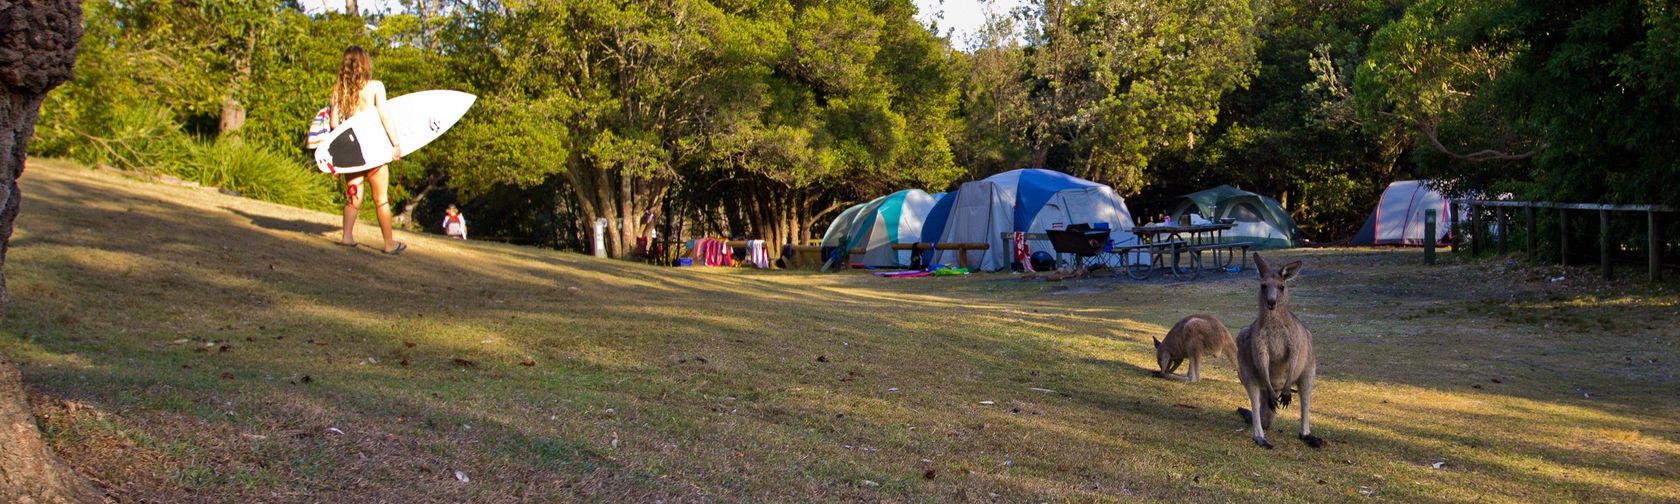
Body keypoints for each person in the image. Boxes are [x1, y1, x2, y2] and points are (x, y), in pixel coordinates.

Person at [330, 45, 406, 255]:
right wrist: (395, 144)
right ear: (364, 63)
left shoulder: (339, 90)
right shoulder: (375, 87)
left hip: (352, 152)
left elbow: (335, 124)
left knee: (354, 196)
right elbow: (384, 116)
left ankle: (347, 237)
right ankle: (389, 244)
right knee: (380, 198)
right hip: (375, 149)